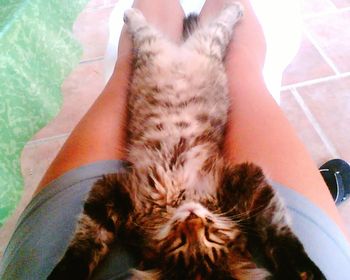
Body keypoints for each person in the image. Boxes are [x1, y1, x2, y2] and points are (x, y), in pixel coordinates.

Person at [1, 0, 349, 279]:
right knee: (241, 68)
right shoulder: (222, 207)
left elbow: (110, 193)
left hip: (155, 96)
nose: (194, 217)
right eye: (211, 233)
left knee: (130, 68)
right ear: (236, 249)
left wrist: (79, 260)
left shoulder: (149, 215)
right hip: (204, 88)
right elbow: (248, 181)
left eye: (180, 236)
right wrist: (284, 250)